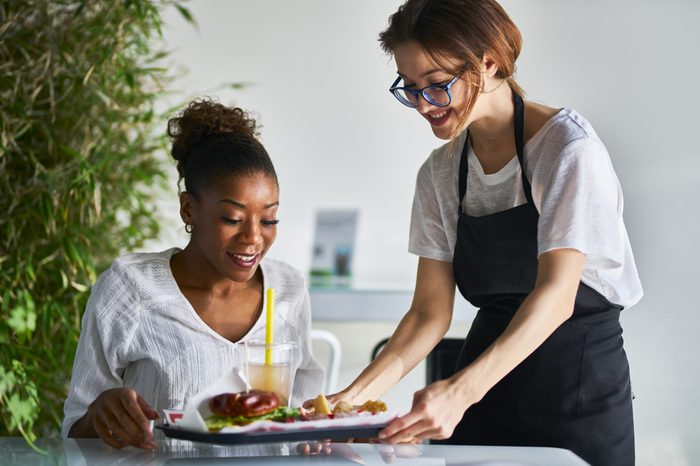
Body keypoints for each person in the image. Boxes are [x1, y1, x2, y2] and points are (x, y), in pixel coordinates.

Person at [329, 1, 642, 465]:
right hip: (483, 398)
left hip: (576, 392)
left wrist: (459, 392)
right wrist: (349, 401)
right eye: (410, 88)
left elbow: (557, 295)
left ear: (489, 61)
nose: (422, 105)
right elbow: (427, 314)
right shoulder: (439, 174)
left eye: (437, 85)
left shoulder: (567, 151)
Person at [62, 99, 324, 450]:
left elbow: (303, 422)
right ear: (189, 209)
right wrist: (100, 414)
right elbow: (74, 431)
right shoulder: (131, 288)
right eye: (232, 218)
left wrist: (317, 435)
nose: (253, 238)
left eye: (269, 219)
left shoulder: (289, 290)